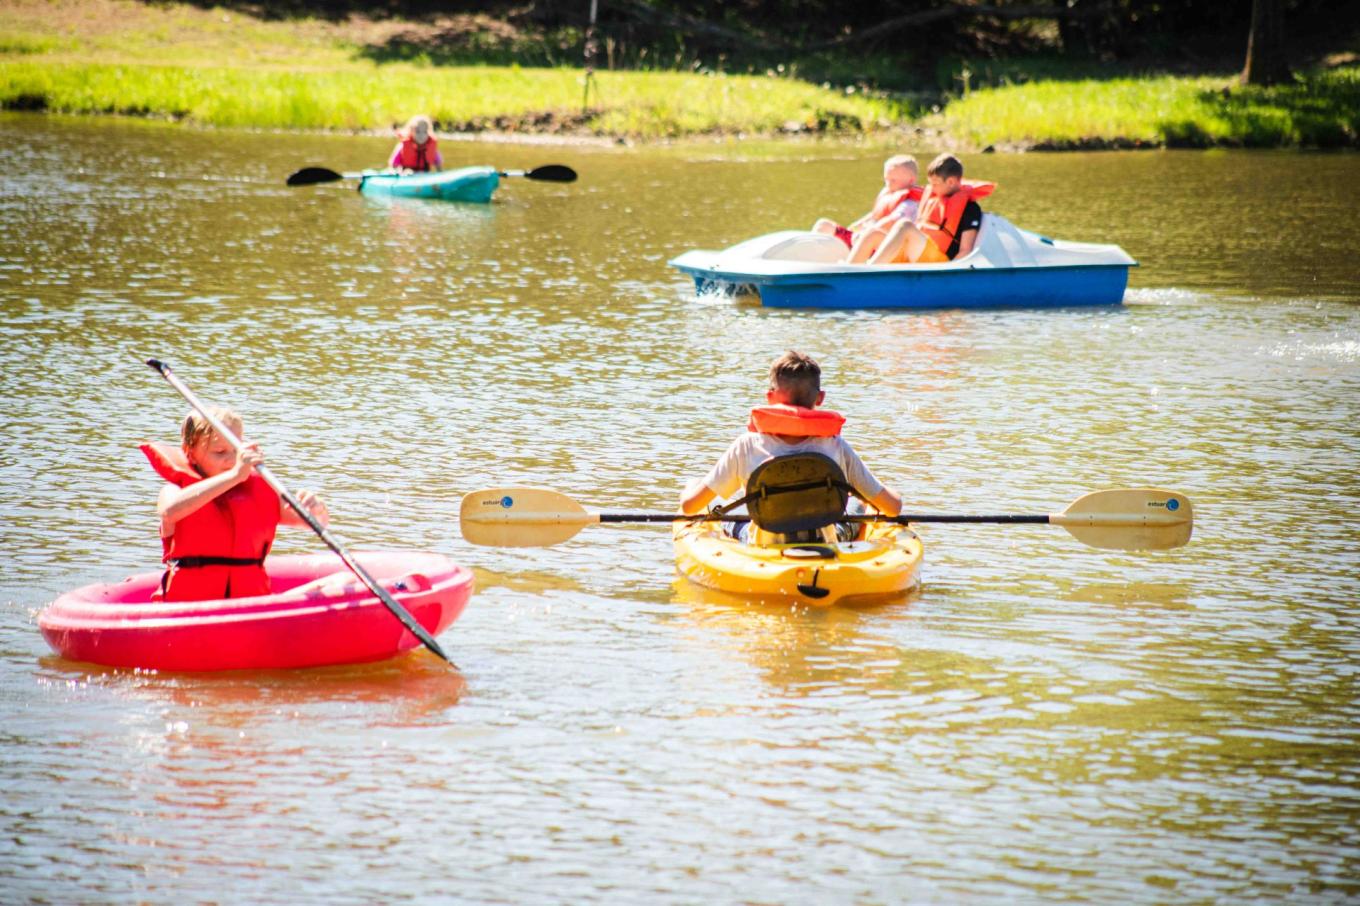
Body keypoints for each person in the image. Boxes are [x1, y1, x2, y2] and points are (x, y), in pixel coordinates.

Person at [680, 351, 903, 541]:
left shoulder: (746, 445)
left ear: (769, 397)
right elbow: (893, 508)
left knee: (719, 501)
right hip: (823, 542)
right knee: (860, 503)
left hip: (762, 545)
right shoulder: (837, 447)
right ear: (820, 398)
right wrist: (893, 493)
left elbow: (689, 507)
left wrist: (690, 489)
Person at [140, 407, 329, 602]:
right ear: (191, 452)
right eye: (220, 452)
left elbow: (316, 523)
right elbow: (169, 512)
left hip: (250, 608)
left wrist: (316, 508)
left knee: (342, 581)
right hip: (190, 612)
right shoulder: (174, 491)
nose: (231, 460)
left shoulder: (257, 493)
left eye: (236, 450)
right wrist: (234, 476)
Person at [866, 153, 994, 265]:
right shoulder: (933, 200)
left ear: (950, 182)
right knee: (873, 234)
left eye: (935, 184)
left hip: (939, 260)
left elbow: (965, 250)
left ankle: (868, 271)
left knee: (905, 225)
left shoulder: (970, 209)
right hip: (921, 252)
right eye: (930, 184)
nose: (931, 189)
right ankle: (850, 272)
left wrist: (947, 273)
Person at [812, 155, 922, 263]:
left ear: (911, 180)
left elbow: (892, 221)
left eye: (893, 180)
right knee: (823, 225)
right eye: (886, 179)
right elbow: (874, 215)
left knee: (867, 236)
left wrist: (864, 233)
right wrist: (855, 226)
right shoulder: (890, 194)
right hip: (862, 238)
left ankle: (848, 267)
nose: (888, 184)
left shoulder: (910, 203)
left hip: (879, 247)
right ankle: (809, 259)